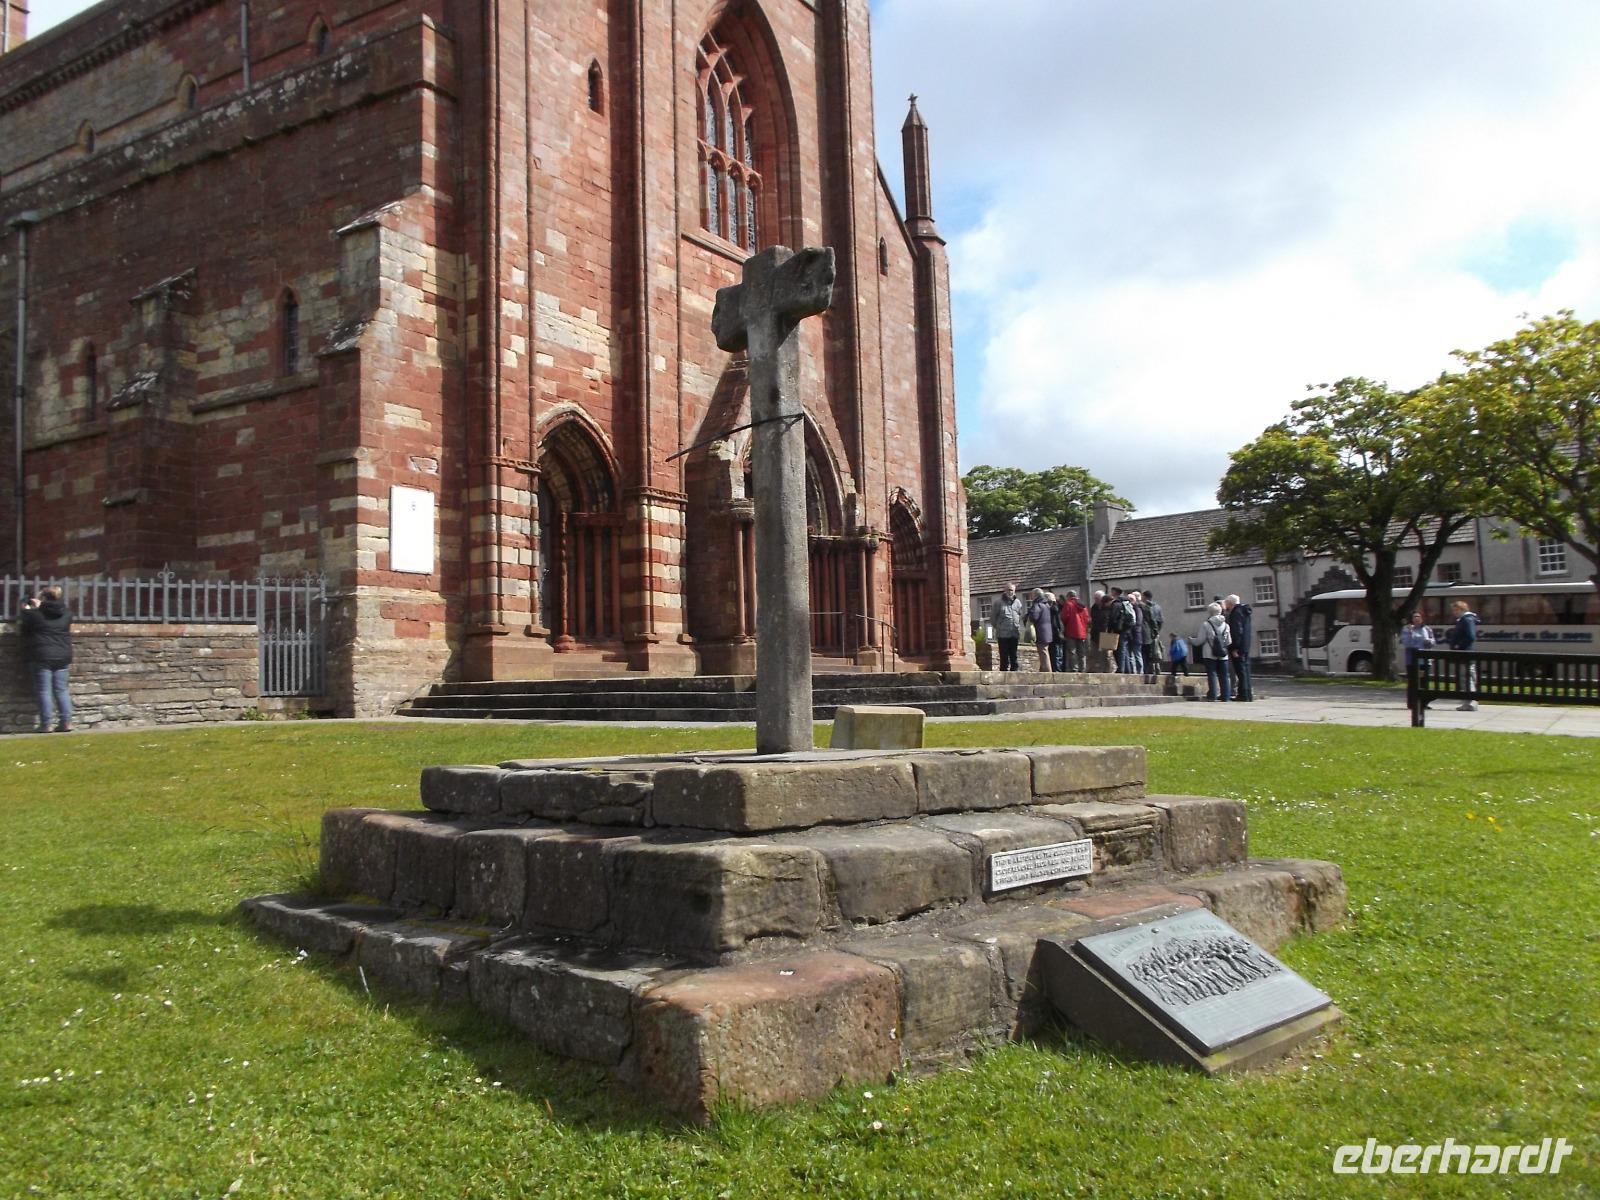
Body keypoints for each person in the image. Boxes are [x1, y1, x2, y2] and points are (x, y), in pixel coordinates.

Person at [19, 586, 74, 732]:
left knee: (44, 691)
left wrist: (27, 608)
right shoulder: (67, 614)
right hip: (62, 655)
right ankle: (66, 722)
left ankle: (46, 724)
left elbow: (24, 625)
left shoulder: (35, 615)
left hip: (42, 655)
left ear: (42, 598)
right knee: (61, 690)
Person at [1444, 598, 1479, 710]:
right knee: (1467, 678)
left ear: (1462, 609)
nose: (1454, 613)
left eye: (1456, 610)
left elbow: (1471, 636)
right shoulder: (1465, 619)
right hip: (1465, 653)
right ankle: (1469, 702)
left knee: (1467, 678)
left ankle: (1470, 703)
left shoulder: (1466, 620)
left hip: (1465, 653)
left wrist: (1459, 646)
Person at [1194, 602, 1232, 701]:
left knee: (1212, 674)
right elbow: (1229, 641)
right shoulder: (1226, 625)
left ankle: (1213, 695)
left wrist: (1191, 640)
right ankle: (1226, 696)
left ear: (1210, 612)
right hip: (1223, 654)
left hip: (1209, 653)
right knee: (1224, 675)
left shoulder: (1206, 624)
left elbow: (1200, 640)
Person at [1400, 610, 1435, 712]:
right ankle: (1412, 703)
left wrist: (1429, 641)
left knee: (1424, 682)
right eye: (1415, 616)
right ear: (1411, 619)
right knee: (1413, 682)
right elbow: (1407, 643)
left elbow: (1433, 642)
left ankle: (1424, 703)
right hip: (1412, 661)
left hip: (1425, 660)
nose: (1417, 618)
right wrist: (1412, 633)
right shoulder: (1406, 629)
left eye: (1419, 616)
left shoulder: (1427, 629)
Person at [1223, 594, 1254, 701]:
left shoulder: (1236, 613)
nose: (1225, 605)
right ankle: (1248, 694)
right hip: (1245, 645)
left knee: (1241, 672)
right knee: (1245, 671)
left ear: (1230, 603)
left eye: (1226, 603)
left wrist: (1235, 647)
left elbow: (1237, 631)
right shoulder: (1245, 612)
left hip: (1238, 646)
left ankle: (1243, 695)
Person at [989, 583, 1025, 672]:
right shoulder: (998, 603)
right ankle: (1003, 671)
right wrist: (999, 627)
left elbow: (1020, 615)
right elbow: (993, 618)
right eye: (1008, 590)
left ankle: (1014, 670)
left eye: (1012, 590)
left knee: (1014, 654)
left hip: (1014, 632)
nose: (1010, 592)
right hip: (1002, 634)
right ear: (1004, 591)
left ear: (1014, 591)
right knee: (1004, 654)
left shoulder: (1018, 602)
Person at [1059, 588, 1089, 673]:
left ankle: (1074, 668)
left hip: (1071, 630)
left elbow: (1064, 617)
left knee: (1072, 651)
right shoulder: (1083, 605)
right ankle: (1083, 668)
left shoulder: (1068, 604)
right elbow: (1087, 618)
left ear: (1069, 596)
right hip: (1082, 632)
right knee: (1082, 652)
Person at [1028, 588, 1056, 672]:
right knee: (1044, 652)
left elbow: (1034, 616)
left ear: (1035, 595)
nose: (1031, 597)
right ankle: (1042, 671)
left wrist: (1029, 613)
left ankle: (1047, 673)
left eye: (1032, 595)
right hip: (1047, 632)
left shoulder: (1037, 604)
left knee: (1043, 653)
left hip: (1041, 632)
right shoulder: (1046, 605)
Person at [1088, 590, 1114, 672]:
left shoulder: (1109, 608)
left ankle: (1109, 670)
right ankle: (1094, 669)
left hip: (1106, 633)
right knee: (1093, 653)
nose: (1096, 600)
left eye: (1097, 598)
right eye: (1095, 598)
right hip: (1095, 634)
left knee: (1107, 654)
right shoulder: (1094, 608)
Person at [1143, 590, 1165, 675]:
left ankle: (1151, 669)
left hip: (1148, 632)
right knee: (1156, 650)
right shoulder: (1158, 607)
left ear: (1145, 597)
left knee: (1149, 651)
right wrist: (1157, 631)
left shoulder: (1146, 607)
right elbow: (1161, 620)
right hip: (1155, 632)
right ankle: (1157, 667)